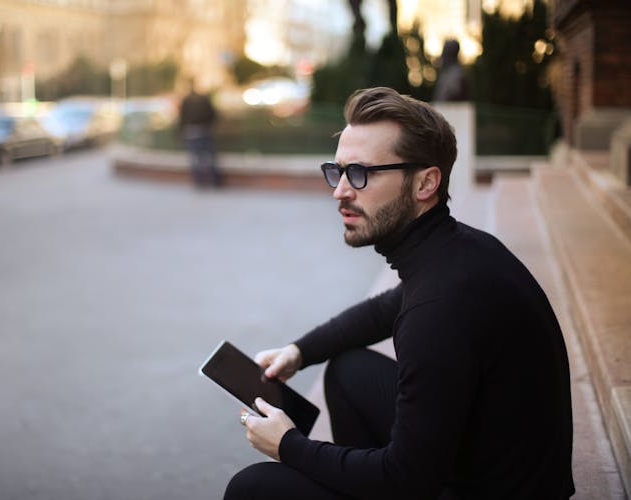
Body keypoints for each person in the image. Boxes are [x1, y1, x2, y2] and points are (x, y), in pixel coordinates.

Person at [224, 87, 574, 499]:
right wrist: (299, 352)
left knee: (252, 487)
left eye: (360, 173)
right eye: (337, 171)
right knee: (348, 369)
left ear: (426, 182)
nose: (340, 191)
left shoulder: (439, 307)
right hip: (486, 461)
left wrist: (288, 445)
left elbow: (406, 478)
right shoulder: (456, 250)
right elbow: (384, 309)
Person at [179, 80, 221, 188]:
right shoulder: (204, 99)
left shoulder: (186, 100)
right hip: (204, 130)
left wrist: (182, 130)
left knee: (196, 158)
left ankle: (199, 181)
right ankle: (214, 180)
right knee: (209, 157)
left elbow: (182, 118)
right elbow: (213, 114)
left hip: (192, 131)